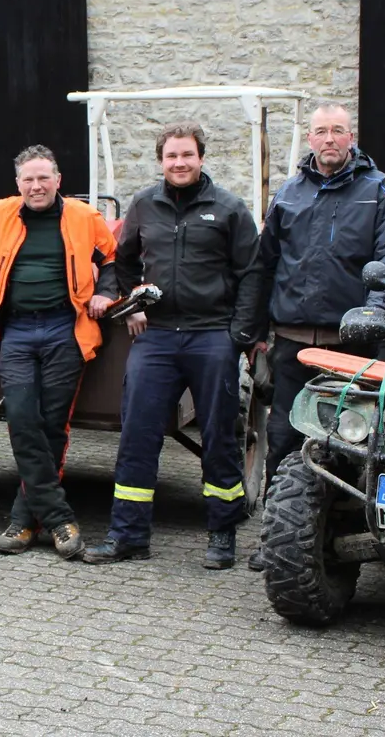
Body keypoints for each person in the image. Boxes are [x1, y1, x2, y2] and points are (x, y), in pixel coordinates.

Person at [83, 121, 261, 569]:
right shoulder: (144, 204)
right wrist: (131, 305)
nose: (179, 163)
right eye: (171, 156)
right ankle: (128, 535)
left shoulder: (229, 208)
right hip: (156, 337)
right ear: (160, 161)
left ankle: (222, 534)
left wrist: (237, 335)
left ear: (201, 158)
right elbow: (122, 261)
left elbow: (252, 275)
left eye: (187, 155)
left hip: (211, 336)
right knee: (138, 434)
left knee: (220, 436)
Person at [253, 102, 385, 565]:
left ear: (351, 137)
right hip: (293, 344)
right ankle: (274, 538)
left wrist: (376, 311)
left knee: (356, 443)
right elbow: (264, 265)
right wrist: (255, 332)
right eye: (320, 131)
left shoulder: (380, 190)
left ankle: (353, 541)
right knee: (282, 438)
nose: (328, 139)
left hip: (353, 347)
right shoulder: (288, 192)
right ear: (310, 139)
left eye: (337, 131)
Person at [0, 146, 117, 559]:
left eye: (43, 178)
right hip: (18, 331)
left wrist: (106, 292)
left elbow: (111, 259)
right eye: (28, 179)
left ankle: (23, 522)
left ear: (58, 181)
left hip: (65, 327)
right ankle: (59, 519)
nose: (36, 186)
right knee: (22, 420)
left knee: (52, 425)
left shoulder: (83, 217)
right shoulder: (0, 215)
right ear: (18, 183)